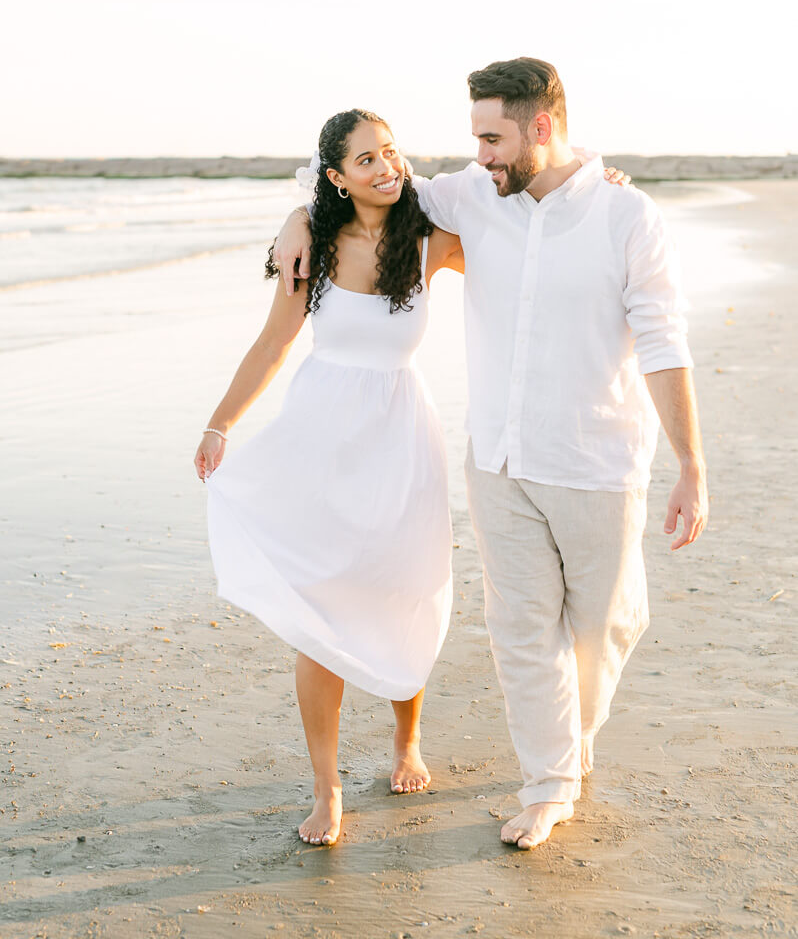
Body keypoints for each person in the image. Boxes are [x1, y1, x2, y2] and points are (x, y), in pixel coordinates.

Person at [273, 57, 708, 851]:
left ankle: (571, 746)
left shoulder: (626, 216)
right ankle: (548, 784)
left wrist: (690, 464)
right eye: (475, 138)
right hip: (500, 464)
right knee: (521, 631)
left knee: (607, 627)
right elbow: (357, 192)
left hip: (596, 461)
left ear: (542, 128)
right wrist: (295, 223)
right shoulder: (474, 193)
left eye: (493, 138)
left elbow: (662, 341)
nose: (479, 154)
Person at [194, 108, 465, 847]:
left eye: (391, 153)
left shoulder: (433, 239)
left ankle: (407, 742)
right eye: (366, 160)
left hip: (404, 438)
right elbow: (274, 342)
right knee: (321, 610)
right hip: (322, 441)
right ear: (337, 178)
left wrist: (589, 185)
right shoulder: (311, 243)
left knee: (404, 593)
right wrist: (220, 423)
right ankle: (327, 786)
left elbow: (524, 246)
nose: (386, 168)